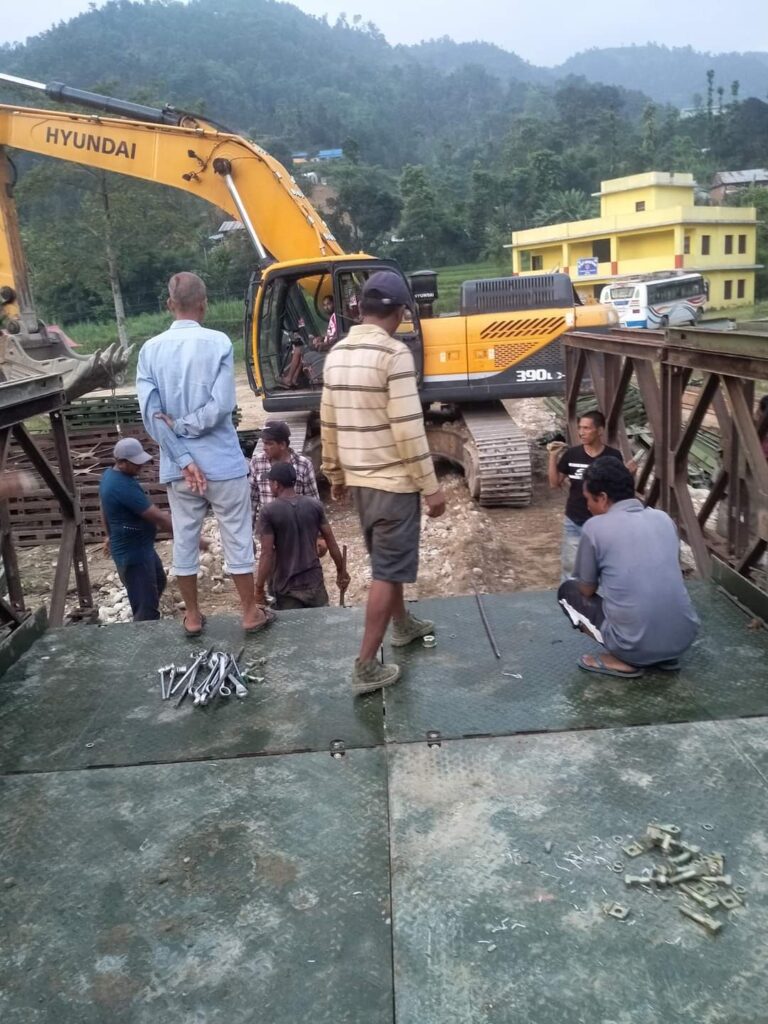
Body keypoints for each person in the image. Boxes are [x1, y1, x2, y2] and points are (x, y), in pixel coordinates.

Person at [321, 269, 446, 695]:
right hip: (394, 485)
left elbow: (329, 422)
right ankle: (365, 665)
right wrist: (431, 487)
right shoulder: (394, 355)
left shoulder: (337, 353)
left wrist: (335, 473)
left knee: (385, 564)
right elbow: (409, 429)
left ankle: (403, 625)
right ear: (400, 311)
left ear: (362, 308)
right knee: (388, 572)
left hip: (362, 486)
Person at [136, 271, 270, 637]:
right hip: (223, 463)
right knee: (237, 537)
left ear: (169, 304)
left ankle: (193, 617)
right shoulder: (219, 343)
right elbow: (222, 405)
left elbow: (151, 416)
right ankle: (249, 613)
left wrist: (182, 457)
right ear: (204, 304)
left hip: (179, 471)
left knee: (184, 538)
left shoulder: (150, 350)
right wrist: (187, 425)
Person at [557, 457, 699, 678]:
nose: (587, 506)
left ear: (603, 498)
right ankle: (665, 657)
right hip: (683, 640)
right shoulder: (663, 519)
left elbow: (587, 589)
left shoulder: (594, 527)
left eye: (589, 499)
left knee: (568, 591)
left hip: (633, 647)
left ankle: (624, 659)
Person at [99, 437, 198, 621]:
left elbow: (104, 508)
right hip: (133, 554)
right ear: (121, 462)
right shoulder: (121, 486)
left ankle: (146, 617)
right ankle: (145, 630)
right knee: (146, 607)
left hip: (142, 547)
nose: (141, 466)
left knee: (159, 581)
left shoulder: (110, 477)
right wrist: (195, 539)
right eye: (136, 463)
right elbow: (158, 518)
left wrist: (109, 535)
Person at [255, 462, 349, 610]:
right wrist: (341, 571)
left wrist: (259, 589)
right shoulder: (314, 505)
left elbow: (266, 553)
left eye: (270, 482)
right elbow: (331, 542)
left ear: (276, 484)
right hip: (314, 584)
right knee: (319, 622)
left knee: (293, 625)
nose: (270, 486)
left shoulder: (268, 512)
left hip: (286, 588)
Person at [548, 410, 623, 580]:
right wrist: (552, 457)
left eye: (587, 428)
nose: (581, 432)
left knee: (603, 567)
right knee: (571, 569)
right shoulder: (572, 454)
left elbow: (619, 489)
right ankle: (570, 595)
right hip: (575, 520)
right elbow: (554, 483)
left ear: (600, 430)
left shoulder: (613, 456)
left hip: (604, 523)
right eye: (580, 428)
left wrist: (630, 474)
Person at [249, 420, 319, 520]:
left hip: (294, 524)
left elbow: (313, 501)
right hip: (268, 524)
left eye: (269, 444)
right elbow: (252, 500)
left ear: (282, 444)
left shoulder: (303, 465)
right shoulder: (257, 462)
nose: (264, 448)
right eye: (263, 443)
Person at [281, 295, 338, 387]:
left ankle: (289, 378)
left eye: (328, 304)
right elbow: (332, 334)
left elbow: (336, 338)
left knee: (298, 350)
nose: (326, 307)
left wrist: (323, 343)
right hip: (326, 345)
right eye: (324, 305)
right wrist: (321, 338)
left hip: (328, 347)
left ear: (334, 303)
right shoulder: (333, 317)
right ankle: (294, 379)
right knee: (303, 350)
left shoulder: (336, 317)